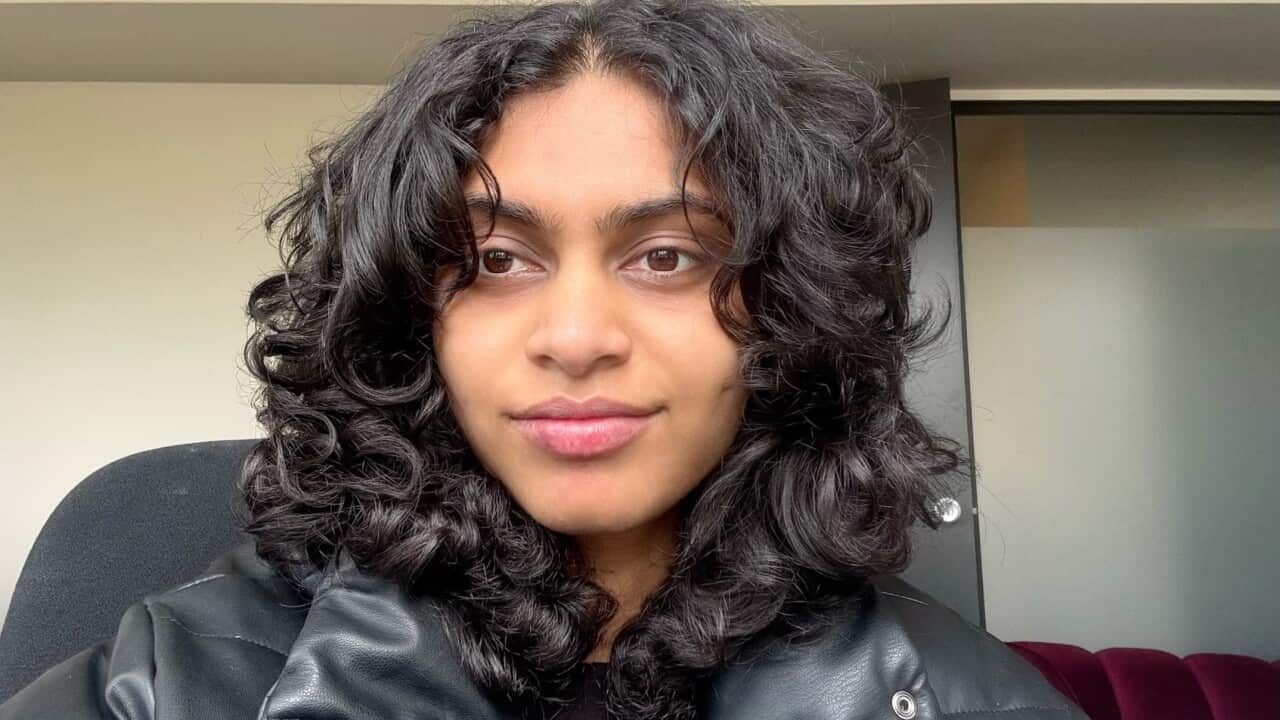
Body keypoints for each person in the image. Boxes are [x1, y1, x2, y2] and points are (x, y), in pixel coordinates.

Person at [0, 0, 1089, 718]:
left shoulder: (965, 700)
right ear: (407, 320)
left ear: (791, 312)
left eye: (666, 255)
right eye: (495, 260)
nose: (573, 337)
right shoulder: (167, 683)